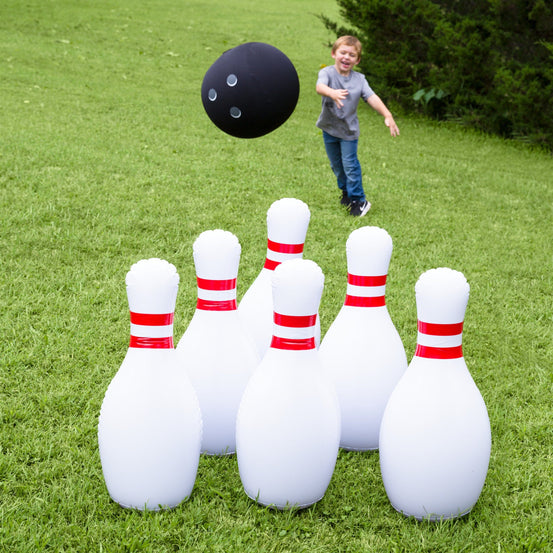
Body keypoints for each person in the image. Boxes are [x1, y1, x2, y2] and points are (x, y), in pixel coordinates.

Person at [316, 35, 400, 217]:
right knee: (336, 165)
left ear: (357, 60)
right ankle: (346, 193)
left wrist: (387, 114)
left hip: (348, 132)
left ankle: (359, 200)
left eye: (352, 55)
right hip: (329, 128)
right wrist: (333, 93)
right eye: (343, 53)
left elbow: (372, 97)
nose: (346, 57)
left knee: (350, 165)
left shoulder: (359, 80)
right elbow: (320, 87)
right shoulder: (327, 73)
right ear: (333, 54)